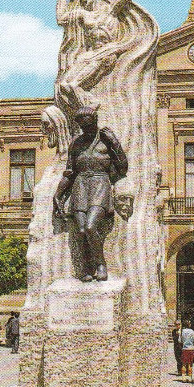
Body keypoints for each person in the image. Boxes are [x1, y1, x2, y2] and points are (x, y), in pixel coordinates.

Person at [52, 106, 129, 282]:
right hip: (80, 186)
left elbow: (123, 168)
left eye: (88, 126)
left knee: (90, 226)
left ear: (94, 121)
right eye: (82, 127)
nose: (85, 130)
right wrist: (58, 195)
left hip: (100, 183)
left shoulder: (105, 141)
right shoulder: (76, 144)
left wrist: (114, 142)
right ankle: (86, 267)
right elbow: (70, 172)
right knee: (80, 230)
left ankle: (101, 264)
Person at [179, 318, 194, 382]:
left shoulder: (182, 331)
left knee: (183, 364)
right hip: (191, 349)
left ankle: (183, 377)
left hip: (184, 349)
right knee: (190, 364)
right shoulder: (192, 331)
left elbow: (180, 340)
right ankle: (189, 377)